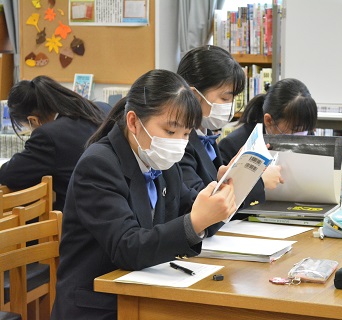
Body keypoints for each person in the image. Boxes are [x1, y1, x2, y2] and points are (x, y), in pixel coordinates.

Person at [51, 69, 236, 320]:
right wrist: (196, 221)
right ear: (133, 122)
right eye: (170, 132)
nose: (178, 144)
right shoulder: (98, 165)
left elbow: (190, 209)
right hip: (98, 304)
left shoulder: (161, 162)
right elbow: (127, 247)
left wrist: (222, 192)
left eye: (185, 134)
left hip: (144, 291)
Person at [0, 75, 105, 211]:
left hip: (82, 217)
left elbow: (9, 174)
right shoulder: (100, 109)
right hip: (121, 206)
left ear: (33, 120)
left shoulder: (48, 135)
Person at [218, 78, 318, 206]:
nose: (301, 136)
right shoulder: (233, 145)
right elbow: (225, 200)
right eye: (295, 130)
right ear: (268, 121)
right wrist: (259, 182)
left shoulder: (305, 133)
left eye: (306, 130)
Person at [176, 45, 262, 193]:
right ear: (194, 95)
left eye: (233, 98)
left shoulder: (206, 132)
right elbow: (197, 200)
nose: (231, 106)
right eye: (225, 98)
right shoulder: (178, 140)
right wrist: (258, 182)